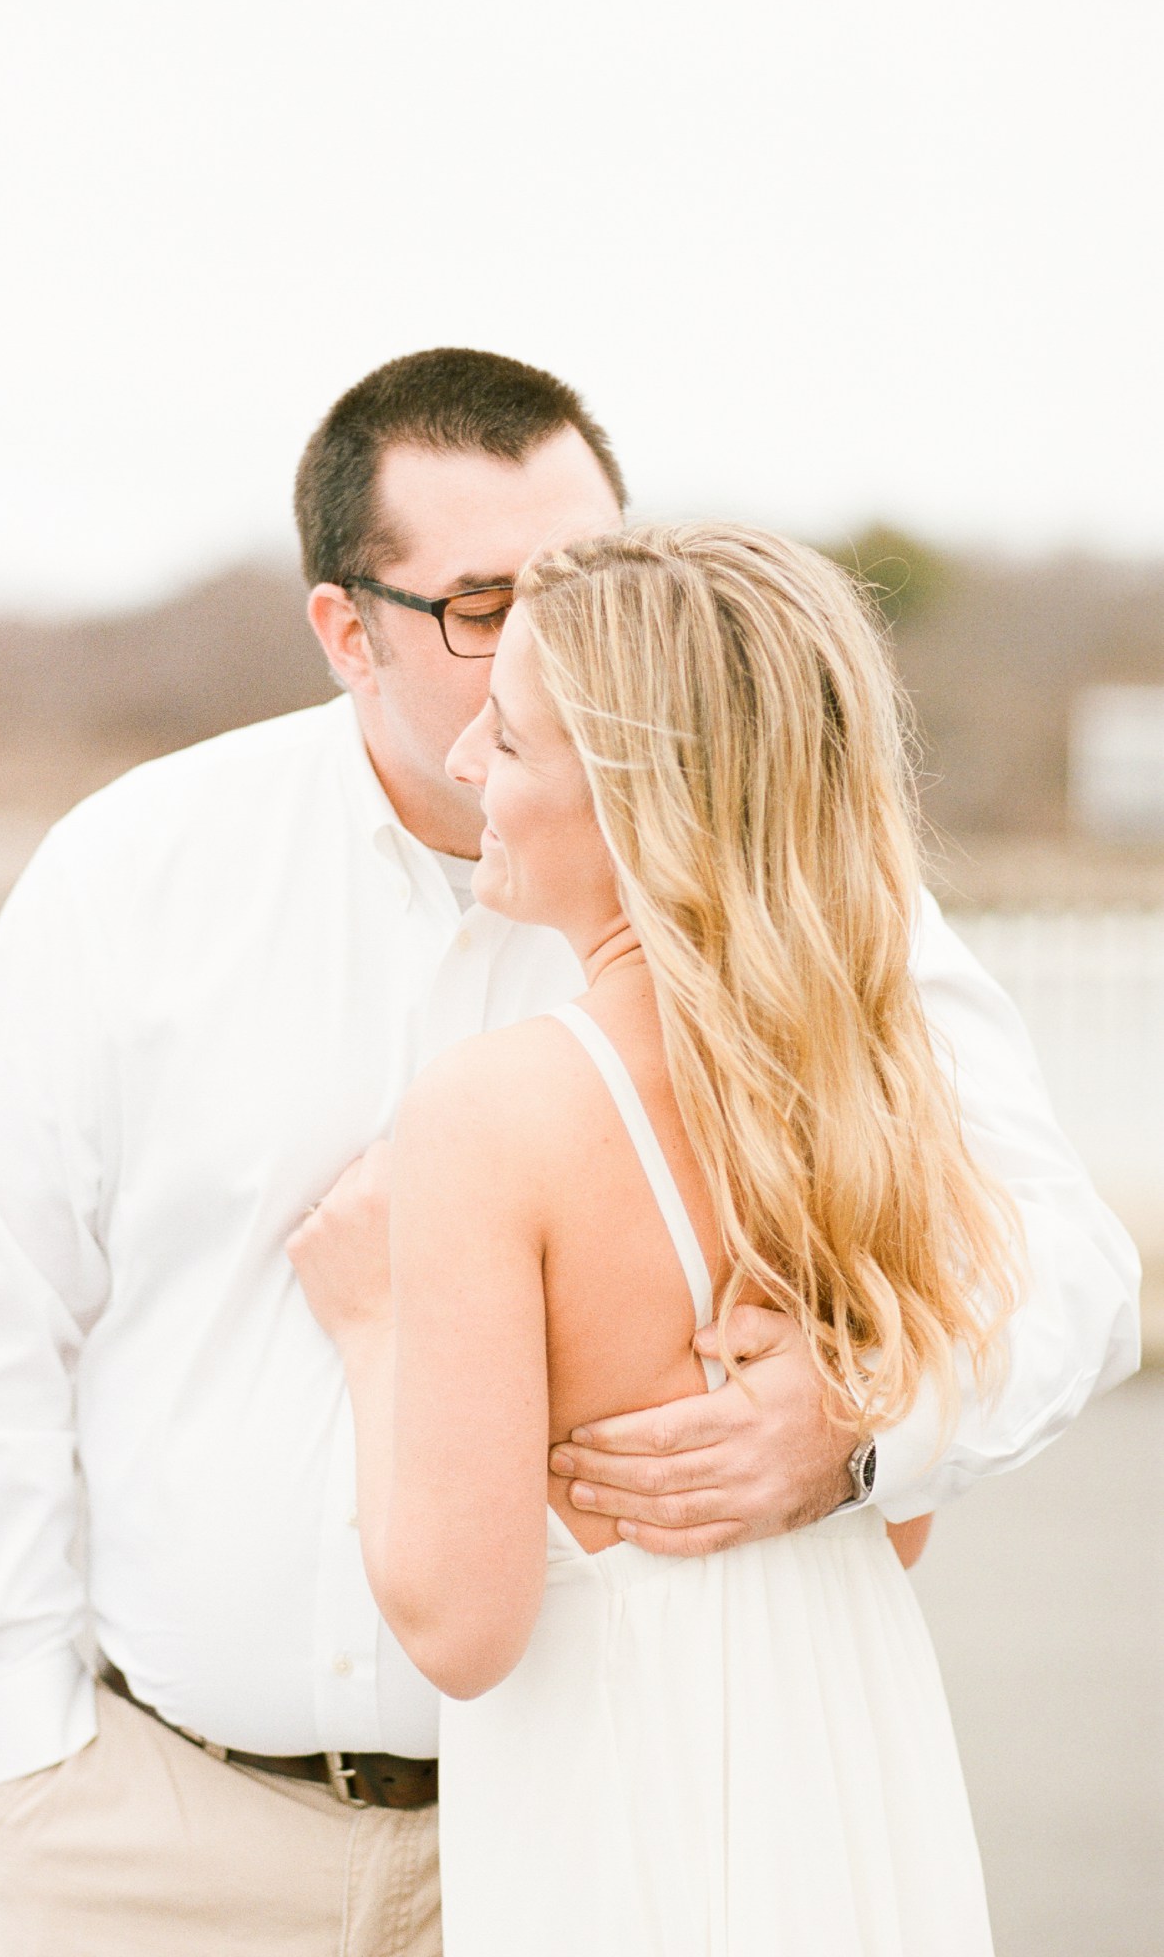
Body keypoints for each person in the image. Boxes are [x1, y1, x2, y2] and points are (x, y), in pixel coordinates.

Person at [0, 350, 1139, 1956]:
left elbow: (1064, 1269)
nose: (557, 636)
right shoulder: (133, 871)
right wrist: (22, 1747)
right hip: (170, 1837)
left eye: (583, 575)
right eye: (485, 605)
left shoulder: (815, 915)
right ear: (347, 631)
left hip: (603, 1830)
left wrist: (866, 1424)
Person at [289, 522, 1029, 1952]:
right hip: (842, 1755)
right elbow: (901, 1518)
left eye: (505, 744)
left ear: (633, 796)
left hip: (623, 1798)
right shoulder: (867, 1081)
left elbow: (462, 1622)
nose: (462, 770)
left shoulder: (492, 1113)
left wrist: (373, 1322)